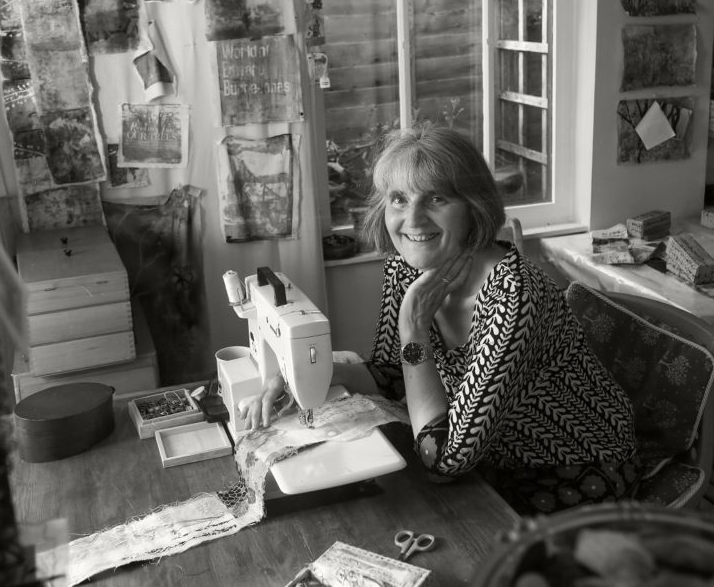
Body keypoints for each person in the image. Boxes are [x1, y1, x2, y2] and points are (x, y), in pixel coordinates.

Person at [241, 125, 641, 514]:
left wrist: (413, 328)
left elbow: (443, 459)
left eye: (435, 199)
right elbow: (391, 374)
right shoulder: (406, 266)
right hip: (488, 458)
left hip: (572, 470)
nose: (412, 221)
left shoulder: (515, 297)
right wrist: (302, 377)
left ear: (474, 206)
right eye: (399, 199)